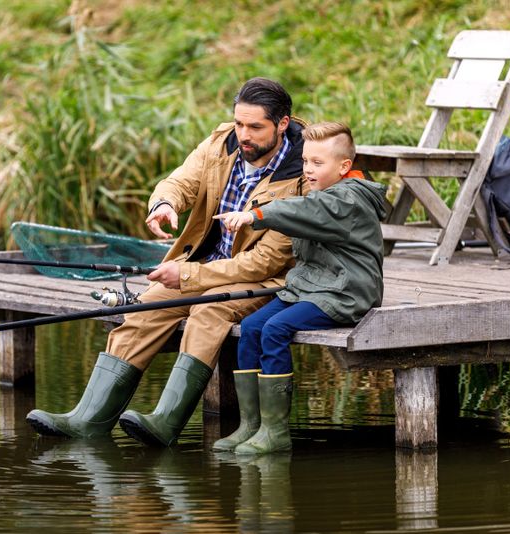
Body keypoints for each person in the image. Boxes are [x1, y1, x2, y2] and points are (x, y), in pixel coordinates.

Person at [26, 78, 308, 446]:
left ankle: (167, 421)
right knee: (146, 308)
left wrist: (188, 274)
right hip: (203, 268)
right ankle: (88, 420)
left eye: (255, 127)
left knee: (208, 314)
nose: (244, 135)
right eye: (240, 123)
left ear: (282, 124)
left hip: (265, 280)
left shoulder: (302, 174)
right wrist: (163, 204)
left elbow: (266, 262)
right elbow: (180, 181)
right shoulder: (221, 144)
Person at [211, 122, 388, 454]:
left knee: (276, 328)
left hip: (347, 293)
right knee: (251, 327)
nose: (308, 169)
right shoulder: (323, 190)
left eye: (317, 163)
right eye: (306, 161)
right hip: (312, 287)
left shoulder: (348, 199)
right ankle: (251, 425)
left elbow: (307, 210)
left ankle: (276, 432)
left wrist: (256, 215)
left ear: (344, 167)